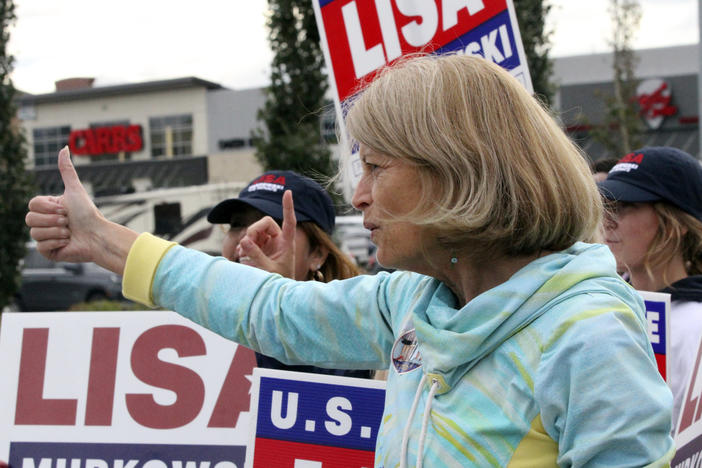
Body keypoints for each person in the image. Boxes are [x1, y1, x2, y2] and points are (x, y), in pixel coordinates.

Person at [26, 54, 674, 466]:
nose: (356, 195)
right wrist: (103, 240)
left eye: (375, 167)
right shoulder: (412, 301)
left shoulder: (587, 338)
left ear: (458, 173)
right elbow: (267, 310)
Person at [207, 169, 371, 379]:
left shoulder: (353, 341)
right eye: (237, 224)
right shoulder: (196, 320)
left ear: (317, 254)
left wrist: (280, 310)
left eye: (272, 224)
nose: (248, 236)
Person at [598, 145, 702, 433]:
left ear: (674, 223)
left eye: (626, 206)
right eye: (606, 205)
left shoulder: (696, 325)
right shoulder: (597, 307)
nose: (607, 220)